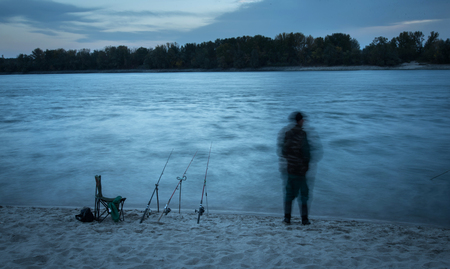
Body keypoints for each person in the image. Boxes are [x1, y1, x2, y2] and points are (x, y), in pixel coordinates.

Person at [278, 112, 311, 225]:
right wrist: (306, 166)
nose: (304, 122)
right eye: (303, 120)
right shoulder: (303, 134)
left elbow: (283, 151)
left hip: (290, 168)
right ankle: (304, 219)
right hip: (300, 170)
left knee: (289, 193)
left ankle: (287, 218)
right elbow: (306, 152)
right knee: (304, 194)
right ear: (299, 121)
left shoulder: (287, 133)